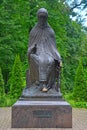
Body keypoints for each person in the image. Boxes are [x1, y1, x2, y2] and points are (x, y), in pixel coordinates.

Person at [27, 8, 62, 92]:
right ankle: (42, 84)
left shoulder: (50, 31)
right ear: (38, 17)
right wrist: (32, 48)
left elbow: (53, 47)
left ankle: (48, 85)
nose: (42, 19)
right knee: (41, 60)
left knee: (51, 61)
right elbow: (29, 48)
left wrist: (59, 58)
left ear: (46, 18)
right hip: (37, 53)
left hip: (48, 53)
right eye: (40, 17)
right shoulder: (34, 31)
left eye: (44, 17)